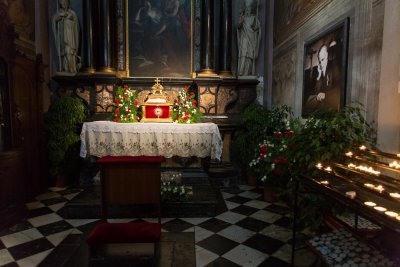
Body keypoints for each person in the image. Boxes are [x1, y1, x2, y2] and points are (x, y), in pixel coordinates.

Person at [303, 42, 341, 115]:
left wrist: (326, 95)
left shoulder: (333, 65)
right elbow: (316, 91)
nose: (321, 63)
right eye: (319, 60)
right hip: (321, 106)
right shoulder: (319, 70)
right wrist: (319, 76)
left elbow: (339, 88)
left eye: (322, 59)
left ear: (327, 56)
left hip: (331, 103)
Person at [52, 0, 80, 74]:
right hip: (62, 39)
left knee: (70, 52)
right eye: (63, 3)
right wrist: (58, 17)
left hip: (70, 39)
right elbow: (54, 21)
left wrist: (69, 18)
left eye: (65, 2)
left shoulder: (72, 13)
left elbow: (76, 27)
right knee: (64, 54)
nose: (64, 4)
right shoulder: (59, 13)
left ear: (68, 3)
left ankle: (72, 69)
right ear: (60, 4)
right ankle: (66, 69)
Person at [237, 0, 261, 76]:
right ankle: (241, 72)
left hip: (251, 40)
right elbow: (238, 26)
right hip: (244, 39)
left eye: (249, 9)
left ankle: (247, 73)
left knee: (250, 57)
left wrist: (256, 27)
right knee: (243, 55)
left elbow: (256, 29)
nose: (248, 10)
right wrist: (241, 17)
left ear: (250, 10)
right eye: (247, 9)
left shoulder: (254, 18)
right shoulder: (243, 18)